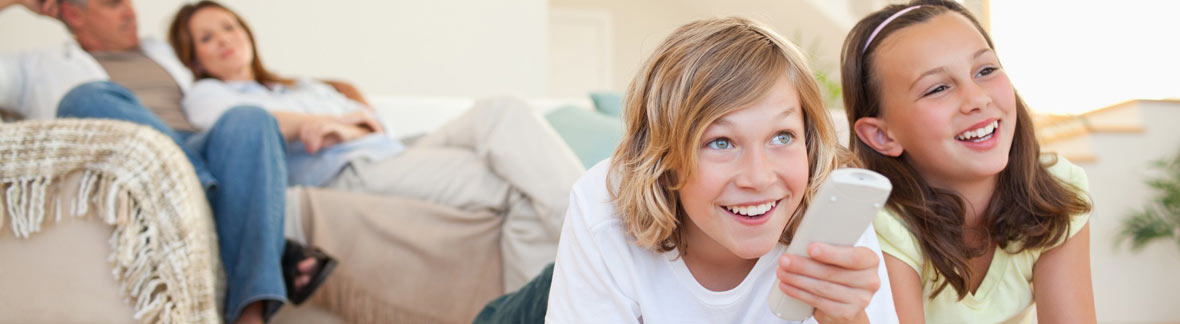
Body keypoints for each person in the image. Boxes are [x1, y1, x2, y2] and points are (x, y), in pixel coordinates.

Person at [167, 0, 585, 291]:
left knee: (501, 109)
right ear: (195, 59)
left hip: (391, 149)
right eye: (206, 38)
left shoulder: (299, 85)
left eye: (229, 26)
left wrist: (341, 126)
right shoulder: (207, 95)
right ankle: (590, 251)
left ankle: (592, 223)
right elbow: (253, 128)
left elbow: (371, 123)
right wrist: (322, 123)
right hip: (351, 171)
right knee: (513, 186)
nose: (224, 39)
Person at [543, 17, 898, 323]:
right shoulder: (603, 205)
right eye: (721, 142)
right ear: (665, 159)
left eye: (781, 136)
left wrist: (847, 319)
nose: (758, 178)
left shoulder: (832, 213)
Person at [0, 1, 333, 323]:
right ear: (74, 14)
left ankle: (251, 314)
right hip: (141, 155)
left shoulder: (164, 49)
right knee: (85, 97)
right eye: (113, 3)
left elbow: (226, 68)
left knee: (250, 118)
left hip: (204, 149)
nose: (130, 9)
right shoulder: (36, 66)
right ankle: (235, 215)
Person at [840, 1, 1096, 323]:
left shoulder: (1056, 188)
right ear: (882, 136)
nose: (977, 99)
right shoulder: (884, 226)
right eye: (938, 88)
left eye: (986, 70)